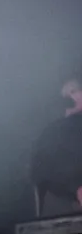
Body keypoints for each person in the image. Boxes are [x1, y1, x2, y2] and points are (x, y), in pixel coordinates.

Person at [30, 77, 82, 212]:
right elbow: (39, 169)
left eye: (74, 91)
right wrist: (75, 187)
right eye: (65, 96)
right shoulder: (53, 130)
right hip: (68, 202)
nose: (71, 98)